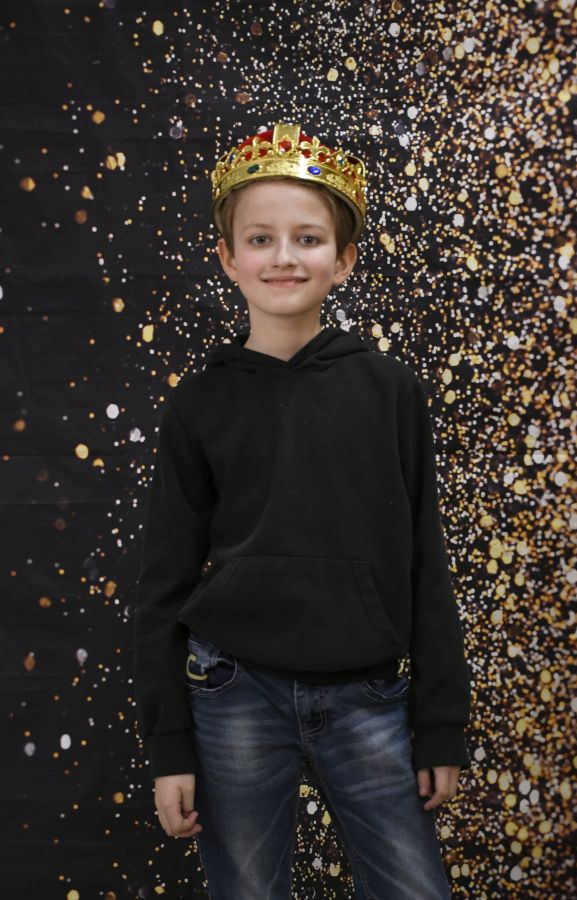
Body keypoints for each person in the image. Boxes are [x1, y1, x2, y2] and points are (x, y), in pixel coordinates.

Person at [133, 121, 472, 898]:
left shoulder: (390, 392)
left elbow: (426, 559)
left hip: (367, 695)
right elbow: (162, 583)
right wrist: (169, 746)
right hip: (233, 691)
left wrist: (439, 722)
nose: (283, 257)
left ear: (343, 259)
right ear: (228, 257)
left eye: (308, 239)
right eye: (260, 239)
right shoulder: (198, 404)